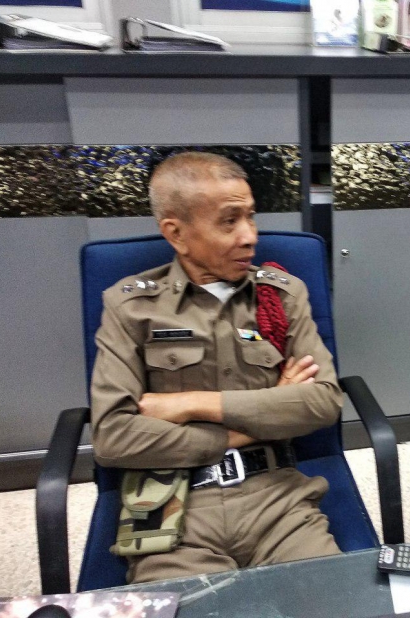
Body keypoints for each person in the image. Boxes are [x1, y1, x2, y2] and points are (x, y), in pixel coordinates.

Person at [90, 151, 343, 584]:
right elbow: (113, 437)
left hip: (279, 499)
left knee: (333, 600)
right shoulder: (131, 306)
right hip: (170, 506)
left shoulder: (282, 294)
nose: (250, 236)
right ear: (177, 233)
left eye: (250, 217)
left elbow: (323, 403)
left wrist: (191, 403)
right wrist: (263, 415)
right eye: (229, 221)